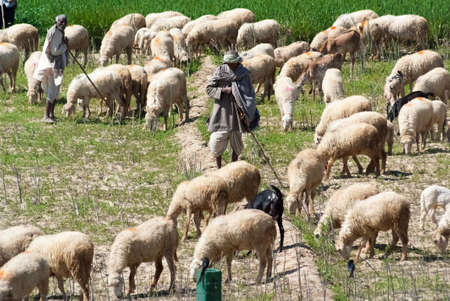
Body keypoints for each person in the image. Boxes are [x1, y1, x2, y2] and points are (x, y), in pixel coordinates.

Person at [206, 50, 258, 169]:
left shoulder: (243, 74)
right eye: (228, 63)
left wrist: (237, 92)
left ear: (237, 62)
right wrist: (223, 90)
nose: (230, 65)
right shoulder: (220, 71)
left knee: (236, 140)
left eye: (232, 63)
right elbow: (209, 89)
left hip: (237, 113)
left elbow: (249, 93)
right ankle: (219, 168)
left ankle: (233, 167)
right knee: (217, 140)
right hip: (222, 111)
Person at [33, 14, 69, 123]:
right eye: (61, 22)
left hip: (54, 64)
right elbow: (54, 51)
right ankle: (46, 116)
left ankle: (51, 114)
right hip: (52, 65)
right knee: (52, 90)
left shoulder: (58, 31)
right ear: (57, 22)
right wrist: (65, 45)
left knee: (55, 89)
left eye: (65, 21)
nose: (63, 24)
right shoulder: (55, 33)